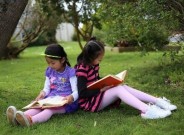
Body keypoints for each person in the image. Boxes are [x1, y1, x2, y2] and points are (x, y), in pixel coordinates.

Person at [75, 37, 177, 119]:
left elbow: (95, 80)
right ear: (90, 57)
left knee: (122, 86)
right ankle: (147, 110)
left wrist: (109, 82)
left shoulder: (93, 65)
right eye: (99, 59)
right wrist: (101, 89)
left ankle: (157, 101)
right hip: (89, 102)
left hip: (96, 95)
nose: (100, 61)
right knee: (118, 89)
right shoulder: (82, 69)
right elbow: (82, 93)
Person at [6, 44, 78, 127]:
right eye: (48, 63)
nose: (50, 65)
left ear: (62, 60)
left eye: (53, 63)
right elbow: (46, 88)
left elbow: (76, 91)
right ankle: (18, 118)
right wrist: (43, 93)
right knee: (37, 107)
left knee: (49, 110)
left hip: (66, 103)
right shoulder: (49, 71)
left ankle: (30, 121)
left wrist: (71, 97)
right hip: (52, 99)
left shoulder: (70, 72)